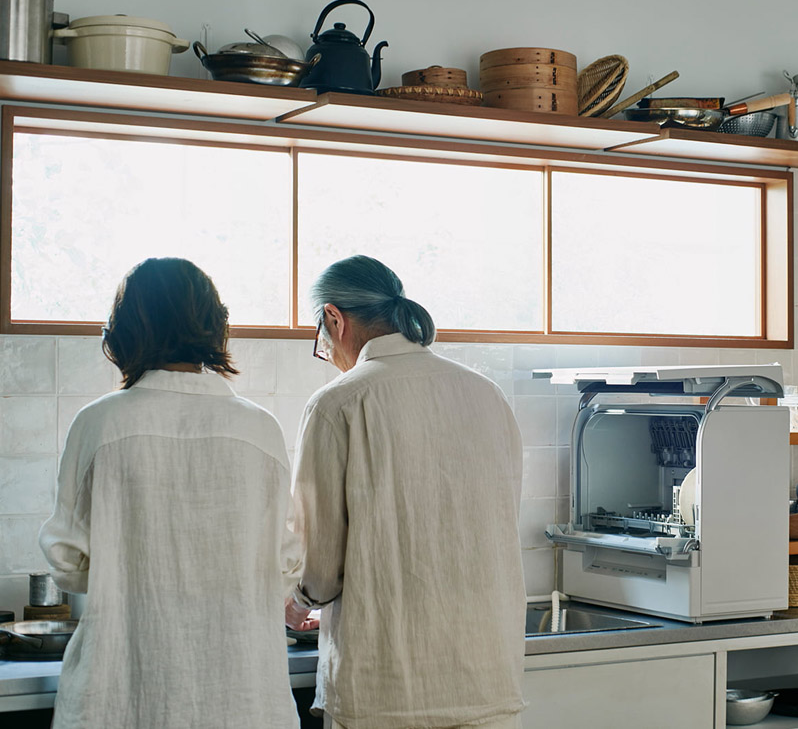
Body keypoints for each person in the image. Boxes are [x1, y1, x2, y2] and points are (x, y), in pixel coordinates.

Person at [39, 257, 301, 728]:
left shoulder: (100, 424)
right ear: (215, 326)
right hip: (242, 698)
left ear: (125, 330)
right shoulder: (260, 430)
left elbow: (67, 561)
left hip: (124, 694)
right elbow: (286, 564)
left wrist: (127, 568)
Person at [286, 255, 524, 729]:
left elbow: (320, 562)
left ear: (334, 318)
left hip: (387, 688)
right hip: (486, 681)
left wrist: (297, 603)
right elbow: (498, 521)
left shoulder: (338, 402)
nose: (327, 351)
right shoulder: (487, 394)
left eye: (321, 337)